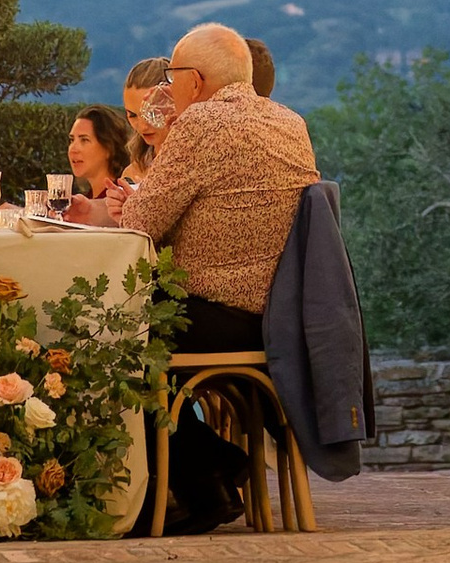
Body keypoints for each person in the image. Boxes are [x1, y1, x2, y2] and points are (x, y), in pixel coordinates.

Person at [104, 24, 318, 356]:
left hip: (214, 316)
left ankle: (167, 411)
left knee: (105, 321)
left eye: (172, 79)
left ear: (194, 81)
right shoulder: (291, 122)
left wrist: (135, 206)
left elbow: (137, 225)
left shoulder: (200, 122)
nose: (170, 89)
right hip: (284, 316)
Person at [64, 104, 133, 208]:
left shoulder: (120, 200)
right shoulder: (88, 198)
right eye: (72, 140)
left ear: (109, 148)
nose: (73, 149)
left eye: (84, 140)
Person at [121, 57, 172, 175]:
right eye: (132, 115)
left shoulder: (197, 163)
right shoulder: (131, 174)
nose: (143, 126)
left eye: (151, 113)